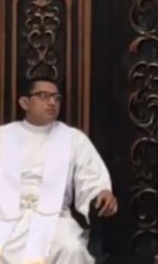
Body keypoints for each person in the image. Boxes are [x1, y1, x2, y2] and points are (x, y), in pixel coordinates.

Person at [0, 76, 117, 264]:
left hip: (54, 219)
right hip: (5, 217)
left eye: (56, 97)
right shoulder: (4, 136)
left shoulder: (72, 138)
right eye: (43, 96)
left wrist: (100, 192)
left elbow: (91, 180)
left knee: (71, 248)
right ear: (24, 102)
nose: (52, 102)